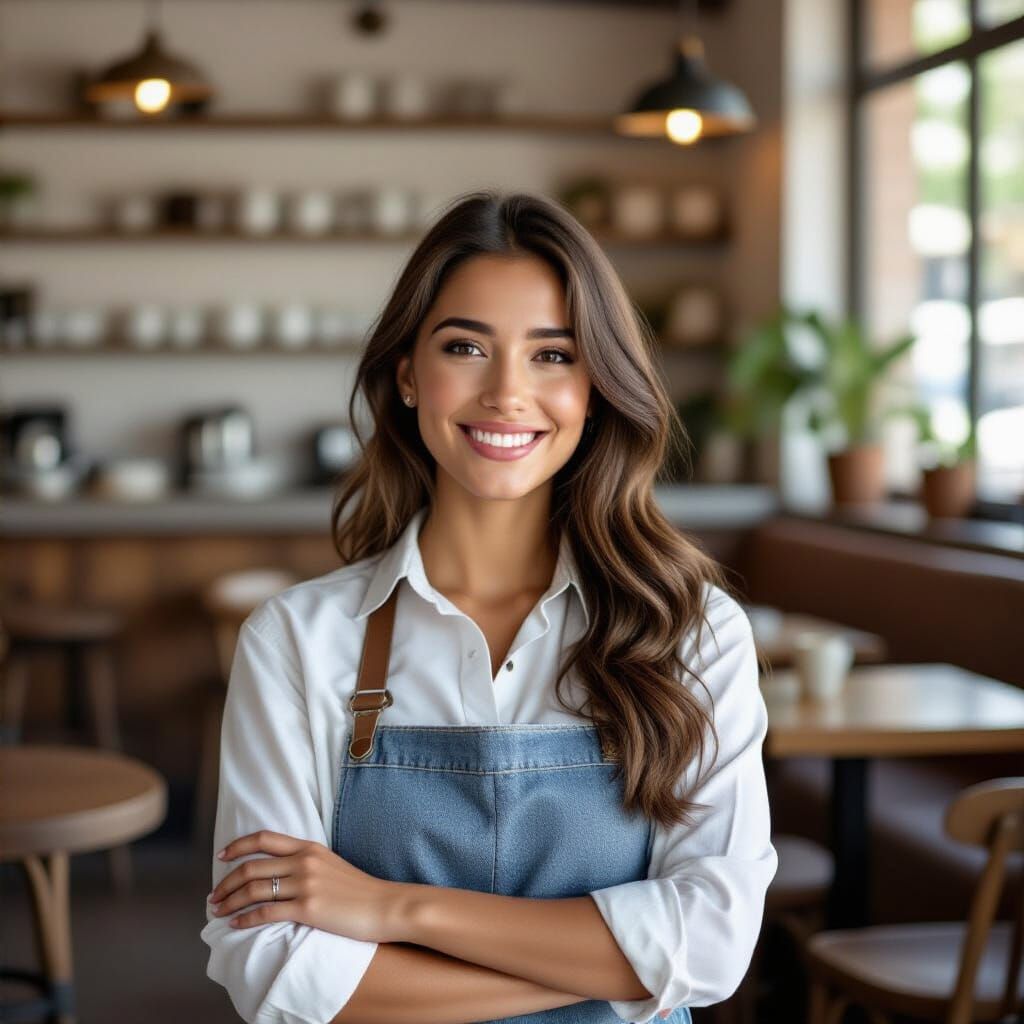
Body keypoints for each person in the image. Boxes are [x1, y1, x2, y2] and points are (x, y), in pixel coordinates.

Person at [201, 189, 777, 1024]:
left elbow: (714, 943)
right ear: (406, 374)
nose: (507, 393)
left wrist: (394, 909)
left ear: (597, 386)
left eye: (553, 355)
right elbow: (275, 969)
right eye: (466, 346)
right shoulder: (297, 640)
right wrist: (619, 966)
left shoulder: (692, 633)